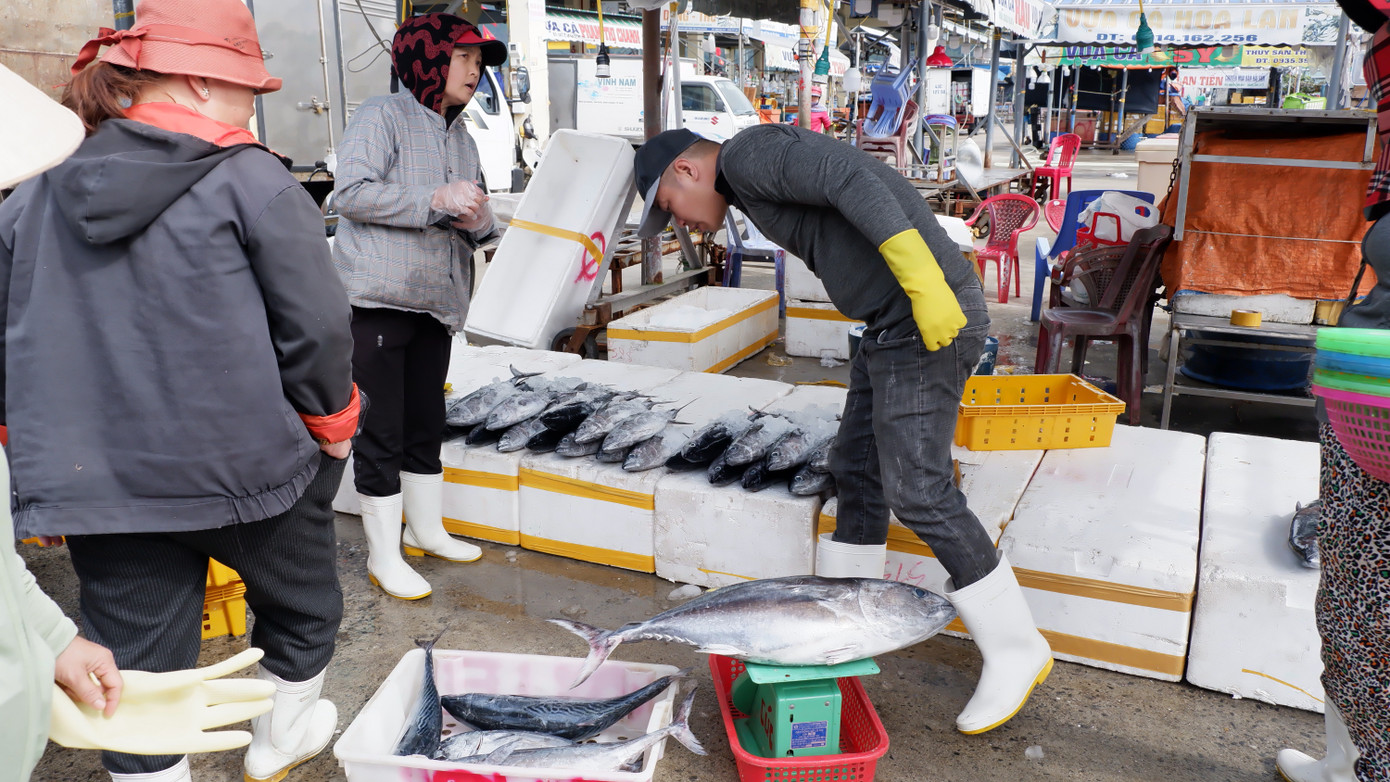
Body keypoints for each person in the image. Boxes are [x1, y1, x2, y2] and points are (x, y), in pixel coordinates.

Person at [0, 1, 360, 780]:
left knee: (134, 659)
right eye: (246, 88)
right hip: (252, 472)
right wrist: (334, 420)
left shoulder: (31, 191)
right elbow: (318, 327)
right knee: (303, 610)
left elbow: (6, 343)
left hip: (100, 483)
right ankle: (278, 741)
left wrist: (29, 463)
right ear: (199, 81)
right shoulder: (253, 181)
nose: (253, 103)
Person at [634, 126, 1052, 735]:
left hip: (922, 317)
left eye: (670, 208)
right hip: (889, 326)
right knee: (856, 473)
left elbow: (852, 178)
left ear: (686, 171)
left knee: (919, 490)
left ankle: (1017, 647)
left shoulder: (747, 155)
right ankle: (838, 626)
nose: (687, 225)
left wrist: (926, 284)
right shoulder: (743, 184)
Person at [331, 13, 505, 600]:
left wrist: (483, 223)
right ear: (426, 60)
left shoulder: (463, 137)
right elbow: (348, 193)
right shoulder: (382, 116)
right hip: (379, 301)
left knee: (426, 421)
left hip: (435, 305)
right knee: (379, 428)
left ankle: (426, 528)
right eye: (462, 58)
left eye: (479, 62)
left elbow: (472, 221)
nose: (475, 71)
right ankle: (385, 554)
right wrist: (431, 197)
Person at [1277, 1, 1390, 779]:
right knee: (1352, 589)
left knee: (1363, 597)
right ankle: (1346, 761)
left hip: (1375, 383)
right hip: (1369, 358)